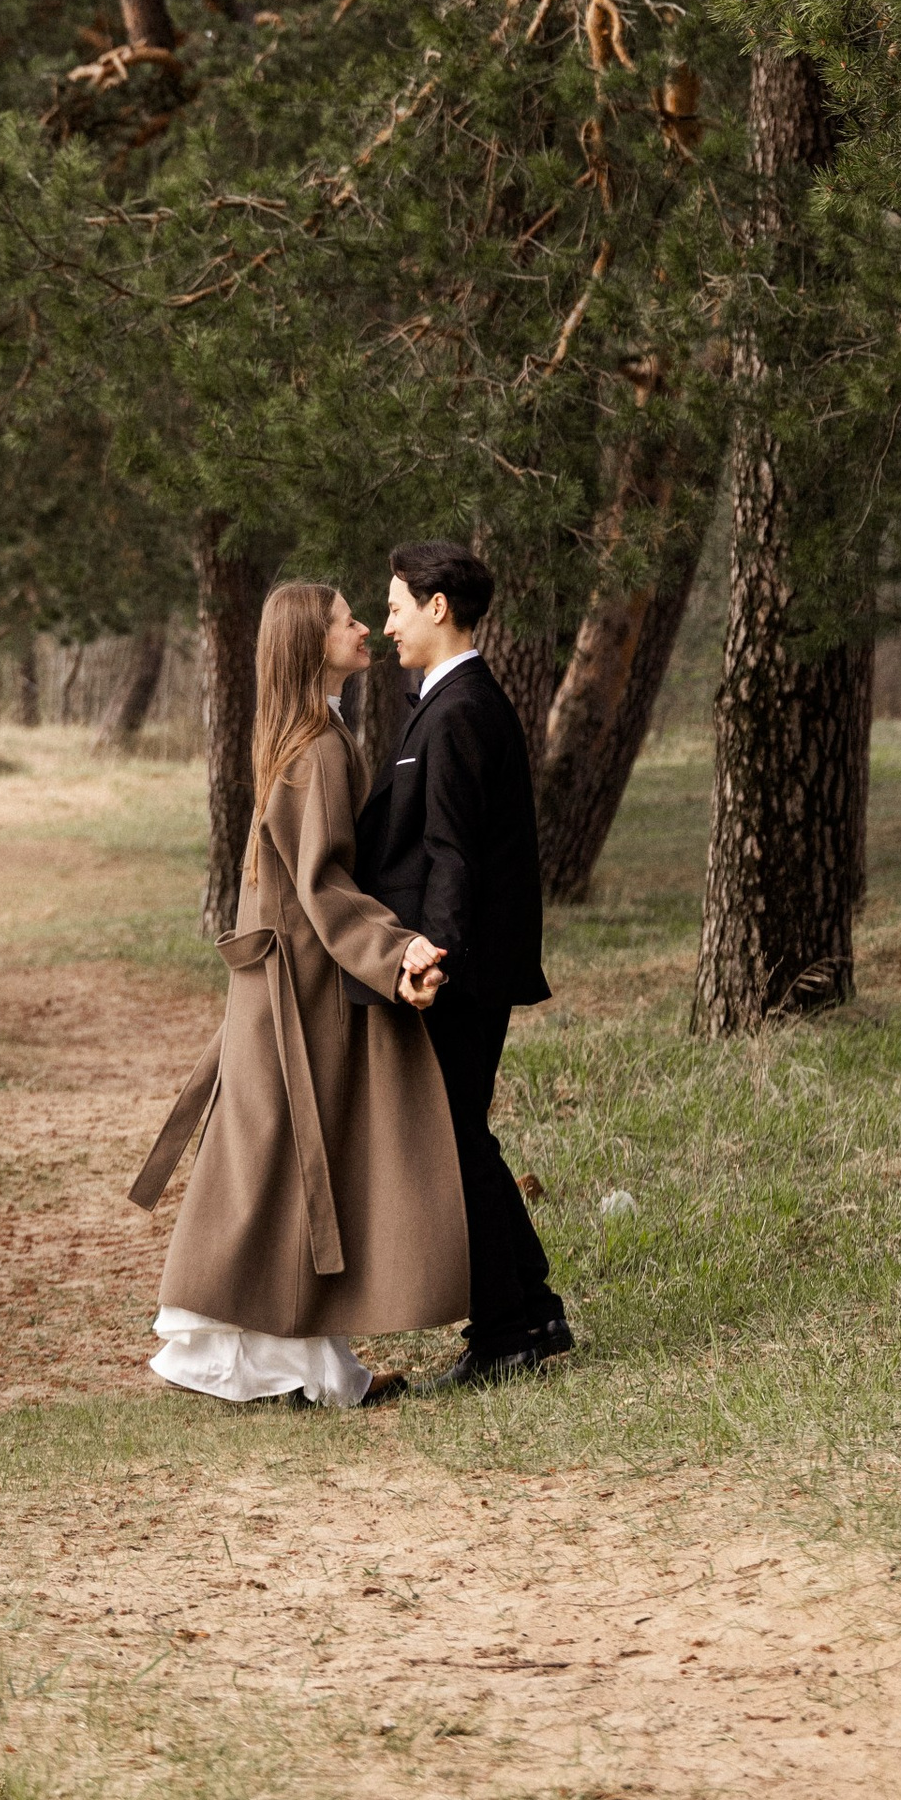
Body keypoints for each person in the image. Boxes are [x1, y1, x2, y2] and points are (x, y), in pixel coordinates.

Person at [131, 578, 468, 1408]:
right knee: (285, 1163)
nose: (364, 629)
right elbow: (324, 887)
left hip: (286, 988)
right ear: (310, 643)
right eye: (347, 621)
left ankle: (304, 1370)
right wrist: (395, 953)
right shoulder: (317, 748)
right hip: (300, 994)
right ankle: (251, 1365)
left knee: (281, 1163)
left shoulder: (308, 733)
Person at [355, 539, 575, 1387]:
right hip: (473, 961)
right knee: (464, 1138)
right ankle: (535, 1312)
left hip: (463, 968)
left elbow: (453, 853)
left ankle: (506, 1334)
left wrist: (433, 961)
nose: (387, 626)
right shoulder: (452, 701)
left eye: (395, 608)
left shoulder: (460, 709)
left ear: (437, 606)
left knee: (451, 1146)